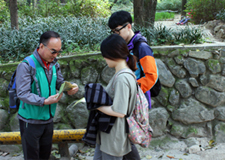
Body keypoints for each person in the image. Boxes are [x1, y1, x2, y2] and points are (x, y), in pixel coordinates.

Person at [16, 31, 79, 160]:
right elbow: (22, 93)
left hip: (48, 120)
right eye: (53, 51)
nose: (56, 55)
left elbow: (59, 82)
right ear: (41, 47)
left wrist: (69, 88)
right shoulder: (26, 65)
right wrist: (44, 101)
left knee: (45, 156)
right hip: (30, 121)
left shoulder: (54, 63)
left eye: (58, 52)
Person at [94, 35, 138, 160]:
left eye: (105, 55)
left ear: (112, 54)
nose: (104, 58)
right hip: (108, 135)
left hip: (114, 137)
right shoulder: (124, 74)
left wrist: (96, 105)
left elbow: (119, 111)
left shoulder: (122, 78)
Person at [107, 11, 159, 107]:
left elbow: (152, 76)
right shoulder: (125, 46)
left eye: (117, 30)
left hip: (139, 98)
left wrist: (131, 89)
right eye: (113, 31)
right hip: (128, 96)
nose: (115, 34)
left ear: (129, 26)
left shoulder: (142, 47)